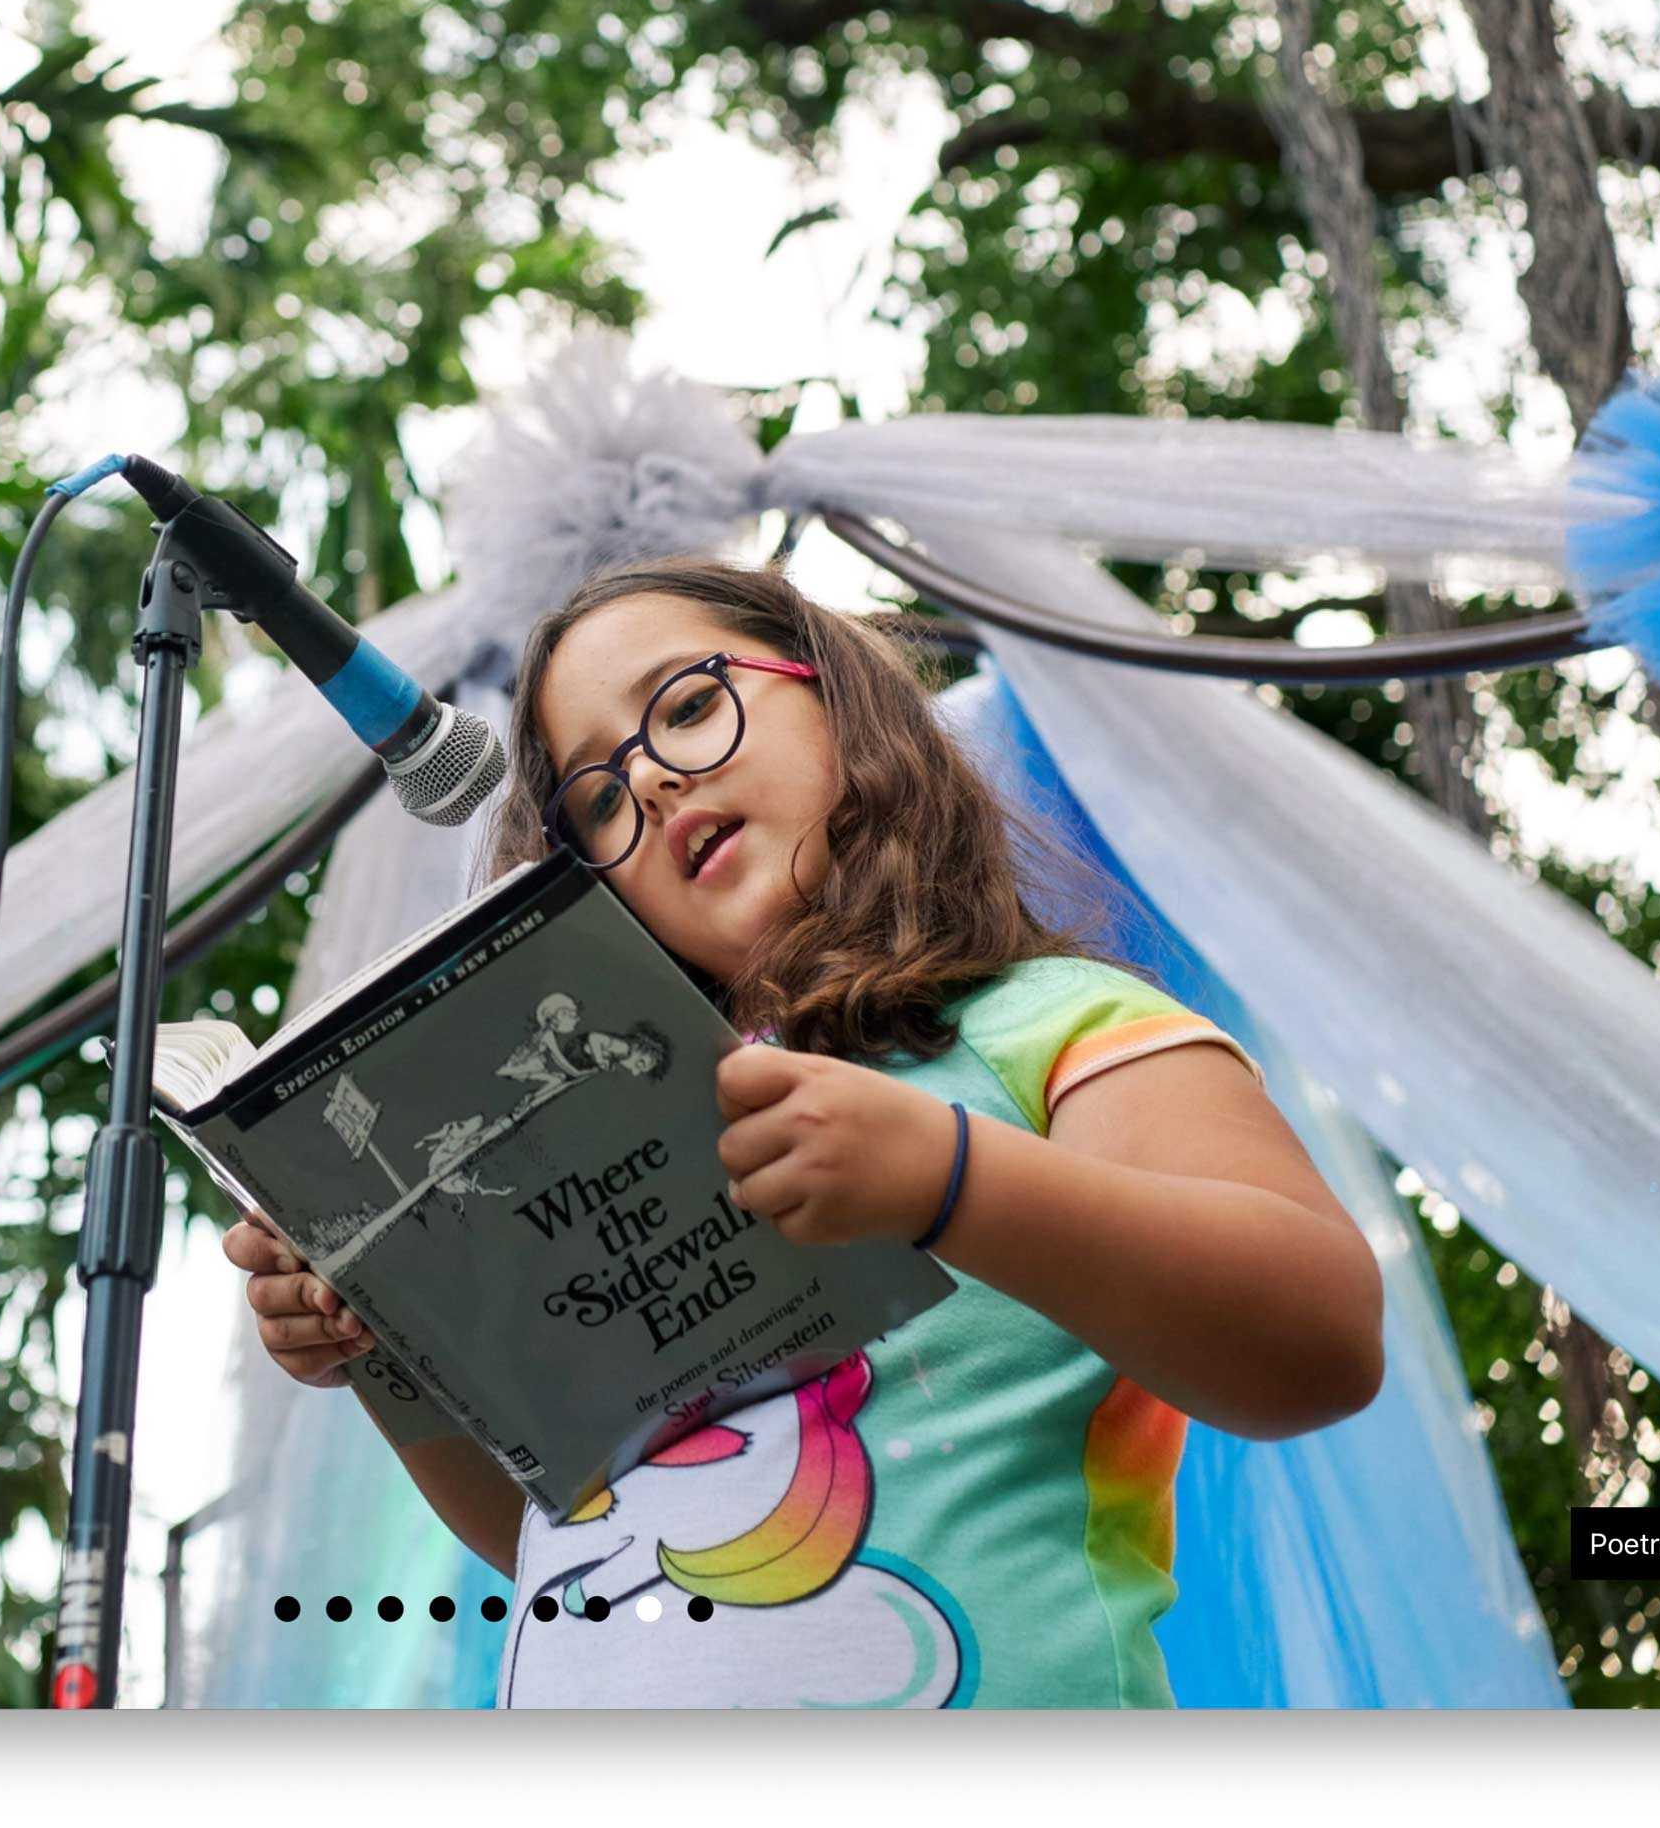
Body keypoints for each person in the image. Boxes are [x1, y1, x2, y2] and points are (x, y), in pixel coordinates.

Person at [223, 555, 1385, 1708]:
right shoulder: (607, 1145)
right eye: (599, 804)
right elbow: (567, 1518)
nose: (651, 785)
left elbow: (1321, 1339)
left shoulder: (1051, 1020)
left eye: (687, 706)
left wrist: (948, 1178)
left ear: (839, 694)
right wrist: (389, 1351)